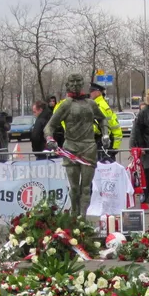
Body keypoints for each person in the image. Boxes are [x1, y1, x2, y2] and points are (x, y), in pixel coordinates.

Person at [46, 74, 106, 215]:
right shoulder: (65, 105)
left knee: (85, 187)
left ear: (82, 83)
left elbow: (103, 119)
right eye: (71, 81)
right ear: (67, 85)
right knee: (74, 188)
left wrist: (105, 134)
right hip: (71, 148)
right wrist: (50, 139)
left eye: (78, 81)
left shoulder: (91, 103)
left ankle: (83, 219)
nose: (75, 84)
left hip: (88, 147)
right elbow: (50, 126)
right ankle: (74, 215)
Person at [89, 82, 122, 154]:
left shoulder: (99, 106)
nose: (90, 94)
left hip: (102, 142)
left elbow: (101, 125)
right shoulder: (102, 103)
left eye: (91, 91)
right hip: (108, 142)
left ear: (97, 92)